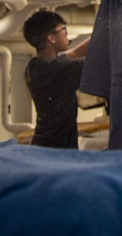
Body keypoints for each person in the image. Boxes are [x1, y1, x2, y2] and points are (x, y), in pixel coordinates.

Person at [23, 10, 90, 148]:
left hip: (44, 144)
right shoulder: (56, 69)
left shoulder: (36, 66)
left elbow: (75, 52)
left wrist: (104, 28)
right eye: (63, 31)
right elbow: (96, 61)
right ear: (51, 38)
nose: (67, 36)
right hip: (57, 150)